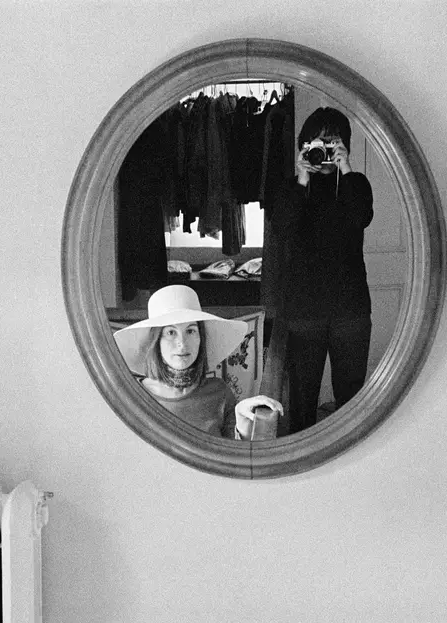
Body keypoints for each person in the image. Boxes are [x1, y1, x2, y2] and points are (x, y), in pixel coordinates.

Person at [268, 107, 374, 432]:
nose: (325, 150)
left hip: (350, 310)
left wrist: (347, 169)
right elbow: (283, 227)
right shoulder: (291, 188)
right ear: (304, 145)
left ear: (345, 146)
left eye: (333, 142)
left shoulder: (356, 184)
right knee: (301, 404)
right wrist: (302, 179)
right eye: (318, 142)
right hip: (303, 311)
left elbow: (360, 217)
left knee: (352, 401)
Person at [113, 285, 283, 440]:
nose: (182, 343)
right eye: (171, 332)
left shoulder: (220, 392)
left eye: (191, 331)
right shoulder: (131, 396)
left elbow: (236, 457)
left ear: (201, 338)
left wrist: (242, 421)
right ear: (156, 341)